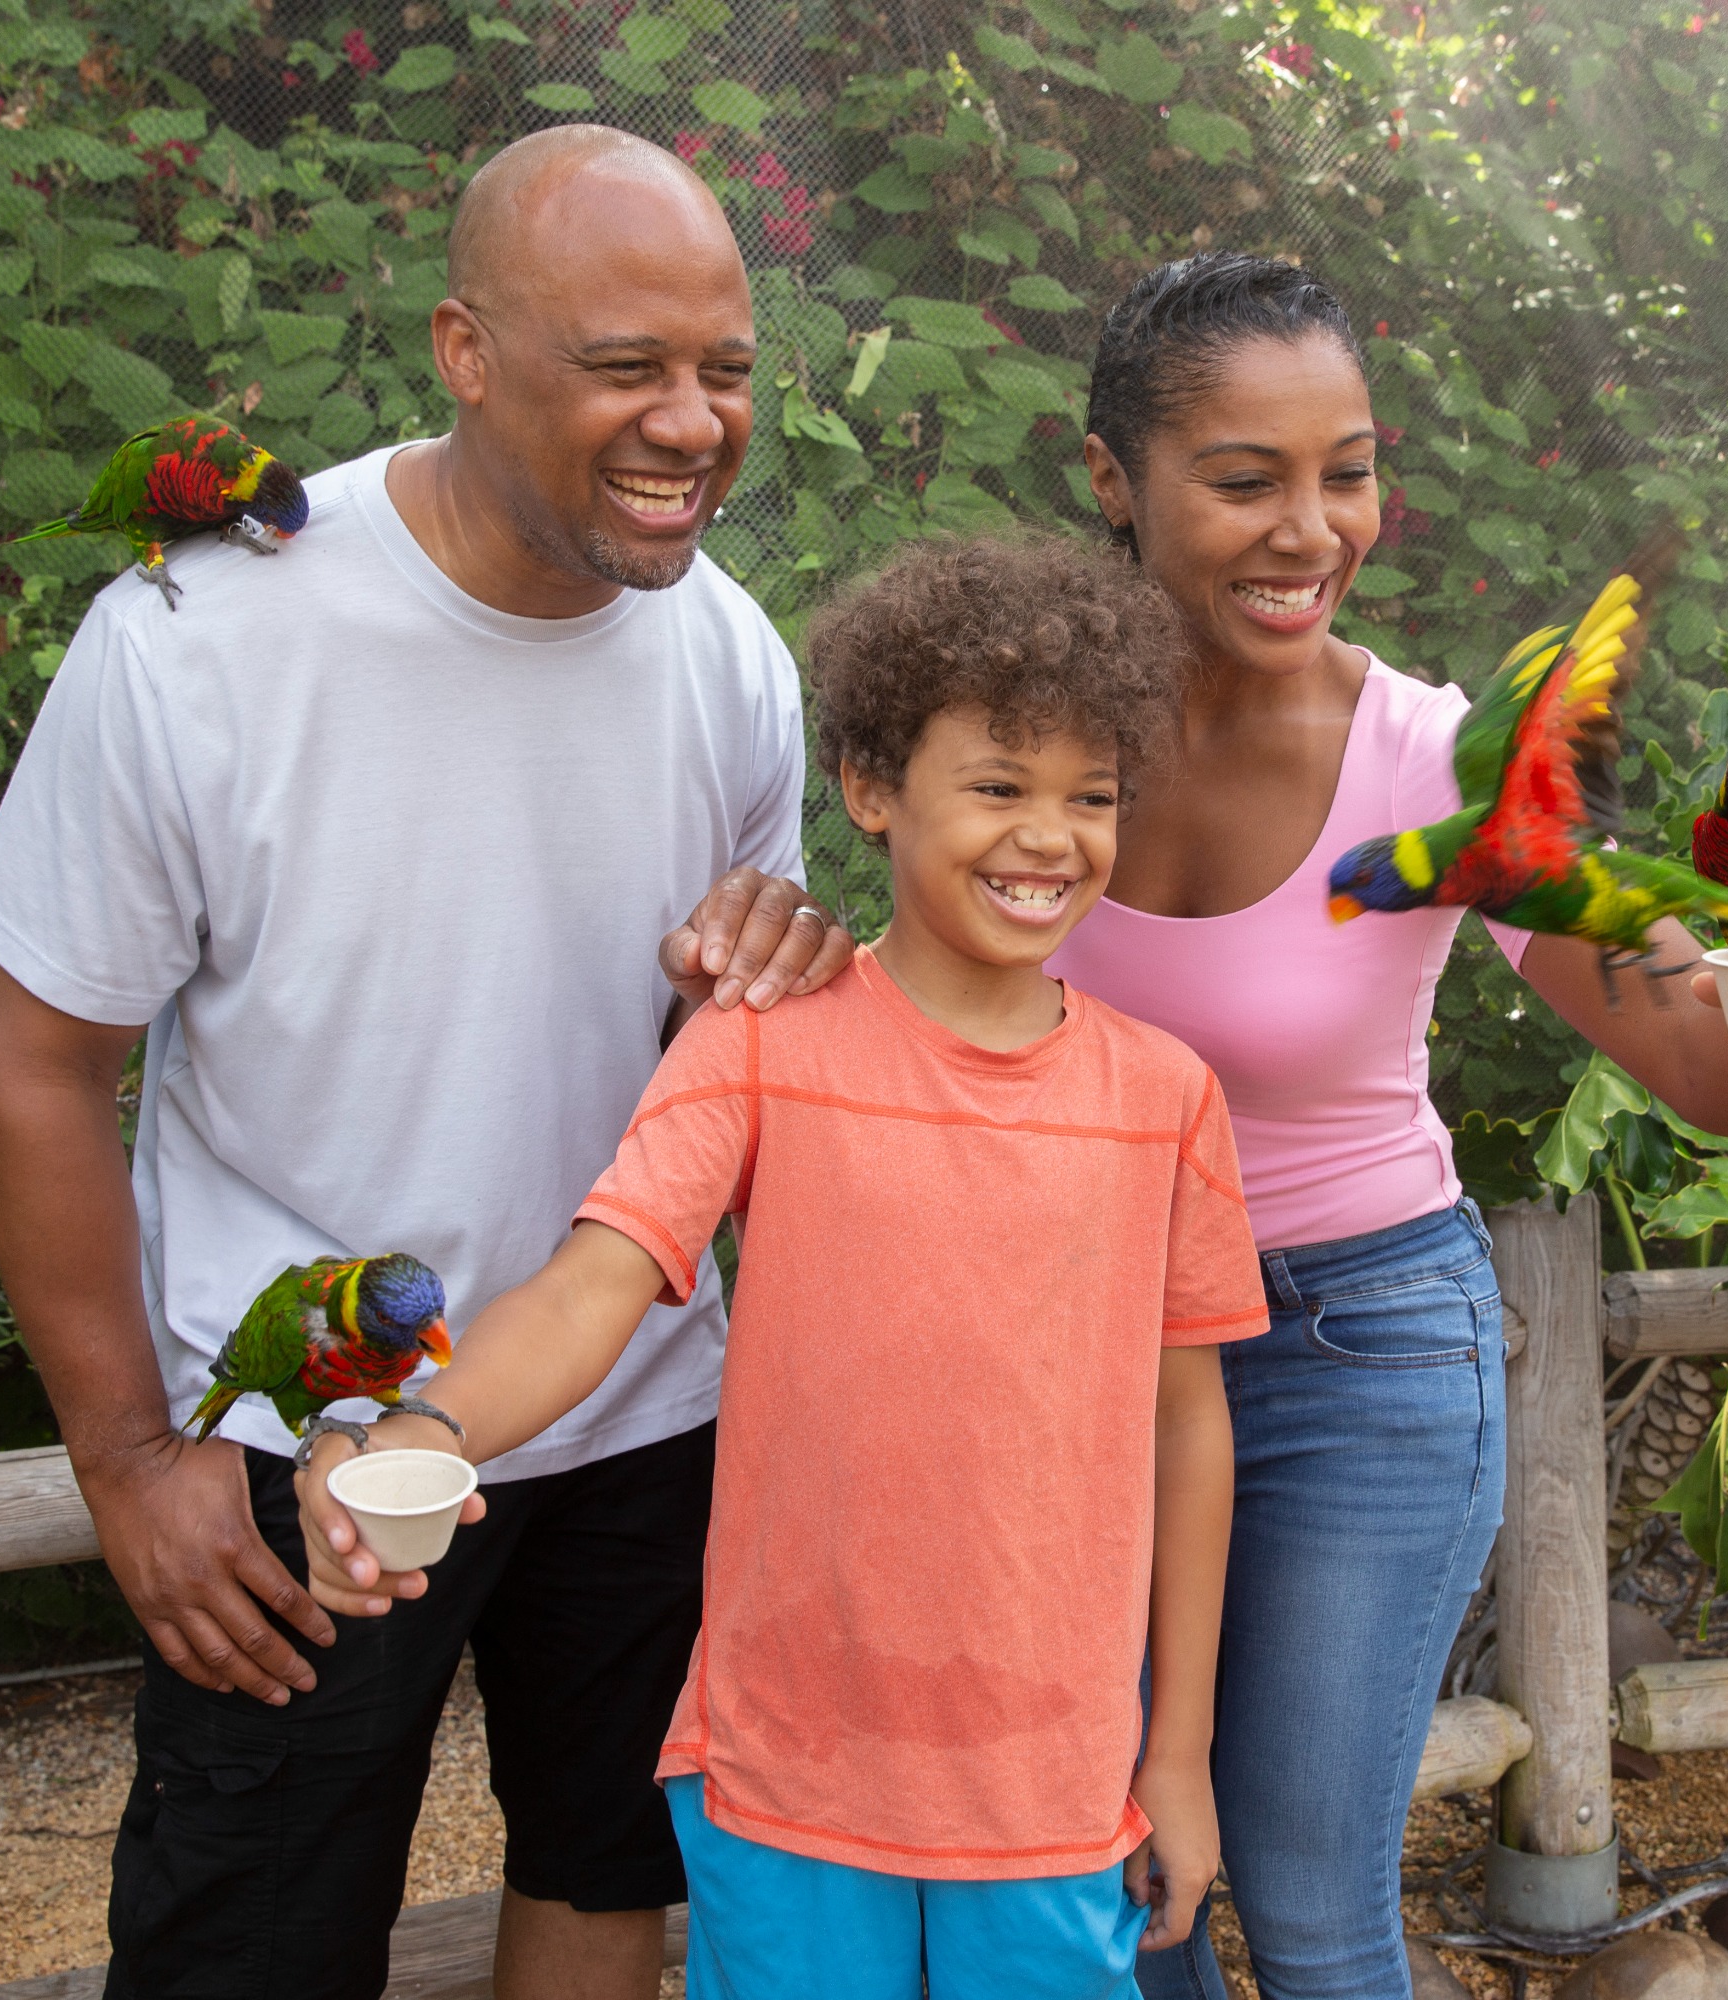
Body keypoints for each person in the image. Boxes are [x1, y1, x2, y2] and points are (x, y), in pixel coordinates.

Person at [0, 126, 852, 2000]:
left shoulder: (732, 657)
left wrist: (771, 982)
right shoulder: (197, 642)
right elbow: (42, 1060)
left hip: (643, 1409)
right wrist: (130, 1459)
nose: (692, 423)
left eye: (727, 368)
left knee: (611, 1881)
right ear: (466, 350)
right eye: (627, 367)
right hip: (301, 1444)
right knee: (253, 1939)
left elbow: (722, 1069)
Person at [1052, 253, 1728, 2000]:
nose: (1311, 527)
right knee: (1113, 1900)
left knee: (1313, 1913)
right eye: (1245, 479)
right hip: (1079, 1354)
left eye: (1350, 470)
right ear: (1112, 479)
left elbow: (1699, 1049)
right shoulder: (1020, 726)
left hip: (1355, 1353)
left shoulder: (1451, 765)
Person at [296, 532, 1261, 2000]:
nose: (1048, 836)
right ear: (874, 789)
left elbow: (1187, 1427)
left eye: (1092, 796)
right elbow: (590, 1285)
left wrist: (1175, 1753)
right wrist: (425, 1426)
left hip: (1053, 1786)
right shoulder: (758, 1050)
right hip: (787, 1771)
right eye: (998, 786)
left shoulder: (1167, 1098)